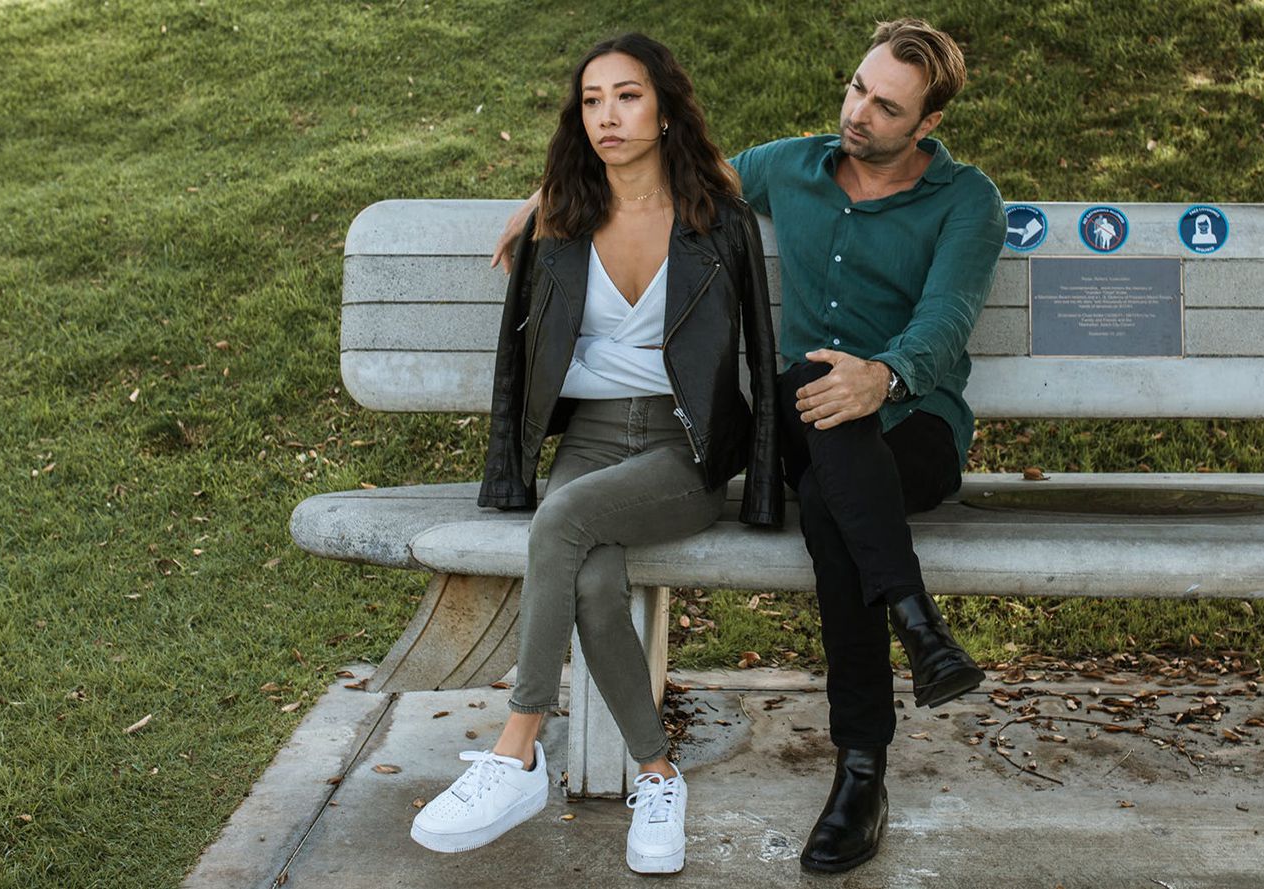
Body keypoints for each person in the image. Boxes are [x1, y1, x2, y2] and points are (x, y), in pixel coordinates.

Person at [493, 18, 1001, 875]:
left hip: (911, 426)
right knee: (813, 396)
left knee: (839, 503)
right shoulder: (788, 166)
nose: (859, 113)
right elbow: (660, 175)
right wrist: (548, 199)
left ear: (927, 126)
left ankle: (864, 764)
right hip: (804, 416)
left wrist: (884, 375)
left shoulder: (967, 200)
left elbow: (946, 322)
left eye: (886, 107)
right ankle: (910, 651)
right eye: (856, 88)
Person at [413, 32, 781, 876]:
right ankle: (659, 776)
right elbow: (518, 359)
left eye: (627, 96)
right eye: (591, 100)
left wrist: (758, 485)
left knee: (566, 517)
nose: (608, 116)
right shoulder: (562, 218)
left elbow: (761, 351)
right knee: (588, 575)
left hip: (678, 449)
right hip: (587, 438)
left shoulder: (717, 223)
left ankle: (516, 751)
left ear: (663, 111)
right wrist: (507, 469)